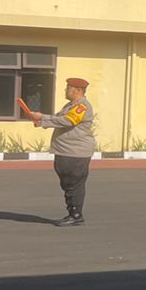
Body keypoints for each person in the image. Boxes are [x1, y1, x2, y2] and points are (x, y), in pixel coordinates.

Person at [26, 75, 97, 225]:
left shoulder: (82, 106)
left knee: (74, 183)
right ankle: (72, 212)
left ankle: (76, 215)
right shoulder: (70, 106)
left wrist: (42, 119)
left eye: (68, 88)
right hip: (65, 151)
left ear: (77, 90)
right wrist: (41, 120)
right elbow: (57, 118)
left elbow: (68, 120)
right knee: (67, 183)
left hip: (75, 152)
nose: (65, 90)